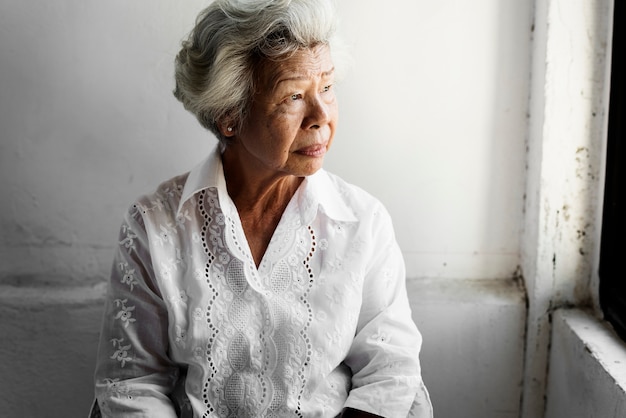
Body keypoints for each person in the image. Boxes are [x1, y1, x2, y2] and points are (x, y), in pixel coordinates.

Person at [90, 0, 432, 416]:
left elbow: (390, 371)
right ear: (229, 116)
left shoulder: (362, 223)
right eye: (293, 96)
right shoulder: (154, 226)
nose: (321, 116)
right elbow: (132, 383)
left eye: (326, 87)